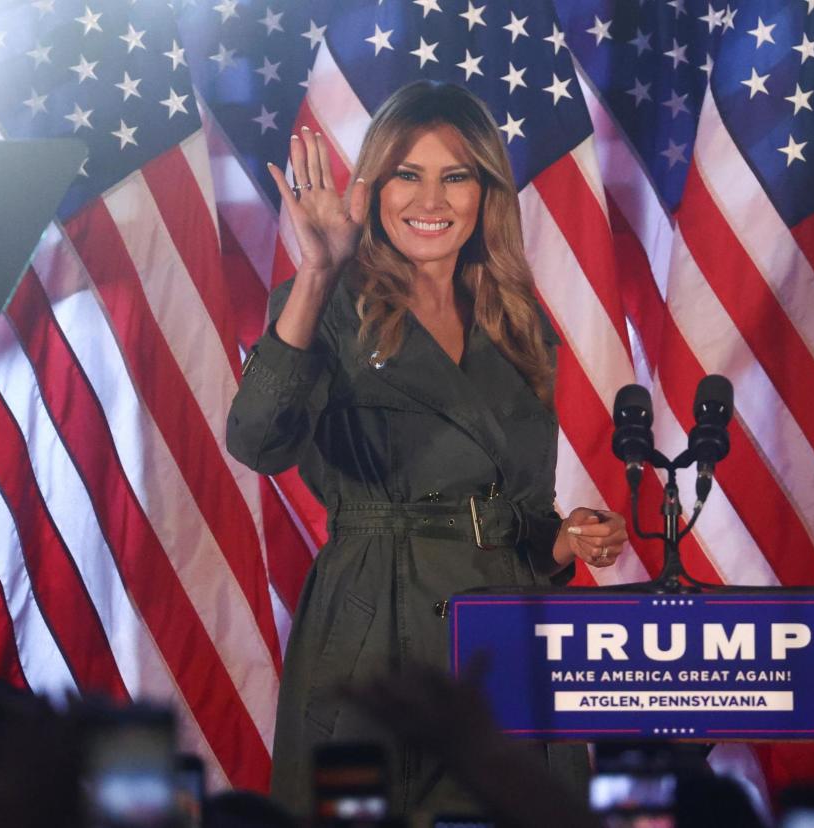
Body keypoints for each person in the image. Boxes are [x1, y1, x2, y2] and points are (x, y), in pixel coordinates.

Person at [226, 80, 628, 819]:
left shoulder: (517, 320)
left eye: (456, 176)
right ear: (375, 189)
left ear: (486, 193)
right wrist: (316, 273)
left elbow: (520, 511)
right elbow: (257, 441)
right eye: (407, 174)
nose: (429, 198)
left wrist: (565, 540)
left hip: (507, 633)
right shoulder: (326, 304)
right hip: (378, 630)